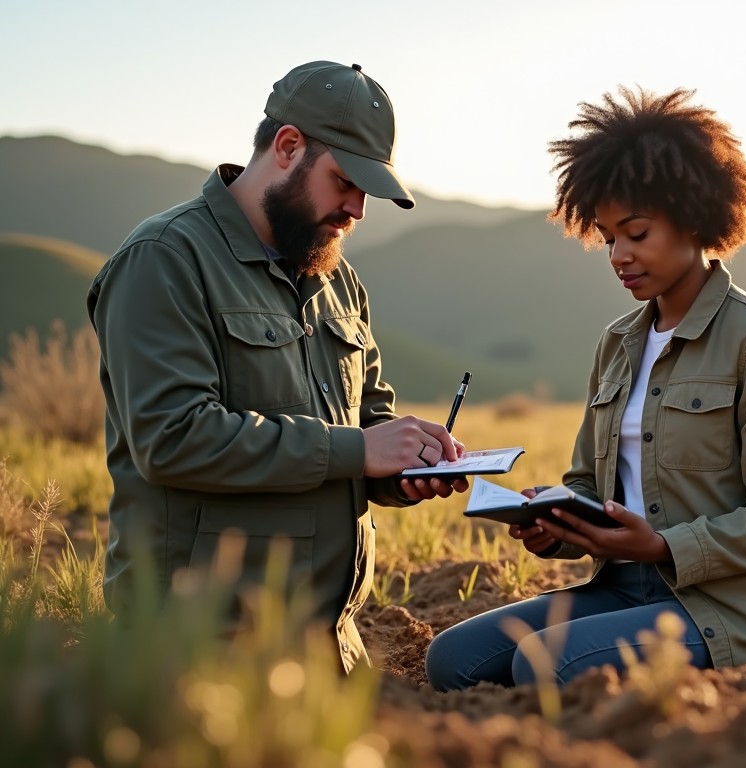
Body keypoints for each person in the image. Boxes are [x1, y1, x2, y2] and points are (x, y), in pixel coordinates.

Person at [425, 86, 746, 690]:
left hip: (725, 609)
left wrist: (662, 545)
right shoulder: (618, 342)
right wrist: (555, 520)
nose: (618, 254)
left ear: (695, 215)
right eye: (609, 237)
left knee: (544, 662)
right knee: (452, 660)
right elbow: (588, 482)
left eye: (636, 233)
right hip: (621, 589)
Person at [87, 60, 468, 671]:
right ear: (288, 146)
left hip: (331, 652)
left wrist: (404, 469)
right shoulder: (165, 259)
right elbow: (172, 437)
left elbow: (367, 425)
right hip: (200, 654)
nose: (357, 210)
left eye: (367, 193)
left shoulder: (338, 278)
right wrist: (357, 452)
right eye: (345, 182)